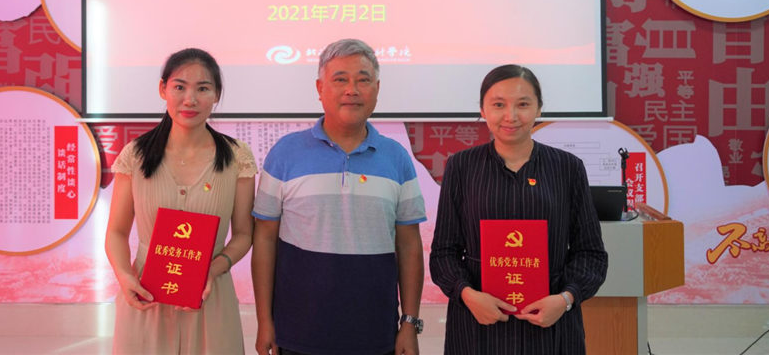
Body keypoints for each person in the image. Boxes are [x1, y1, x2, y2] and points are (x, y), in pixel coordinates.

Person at [252, 39, 427, 355]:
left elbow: (409, 245)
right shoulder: (285, 153)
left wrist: (409, 323)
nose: (352, 90)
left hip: (377, 333)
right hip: (297, 332)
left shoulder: (397, 157)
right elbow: (264, 239)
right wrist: (265, 320)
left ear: (377, 89)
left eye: (363, 80)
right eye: (340, 79)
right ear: (320, 88)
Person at [430, 65, 608, 354]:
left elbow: (591, 252)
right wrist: (467, 294)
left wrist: (565, 299)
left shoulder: (567, 167)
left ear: (539, 108)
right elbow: (443, 252)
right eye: (498, 104)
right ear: (482, 109)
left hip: (551, 326)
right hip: (478, 324)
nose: (510, 116)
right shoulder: (462, 166)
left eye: (523, 104)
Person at [105, 48, 258, 354]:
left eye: (203, 89)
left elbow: (243, 234)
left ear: (216, 95)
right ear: (163, 89)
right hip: (146, 298)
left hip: (210, 298)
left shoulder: (237, 157)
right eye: (179, 87)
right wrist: (124, 277)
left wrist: (212, 270)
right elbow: (116, 232)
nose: (190, 100)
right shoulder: (135, 155)